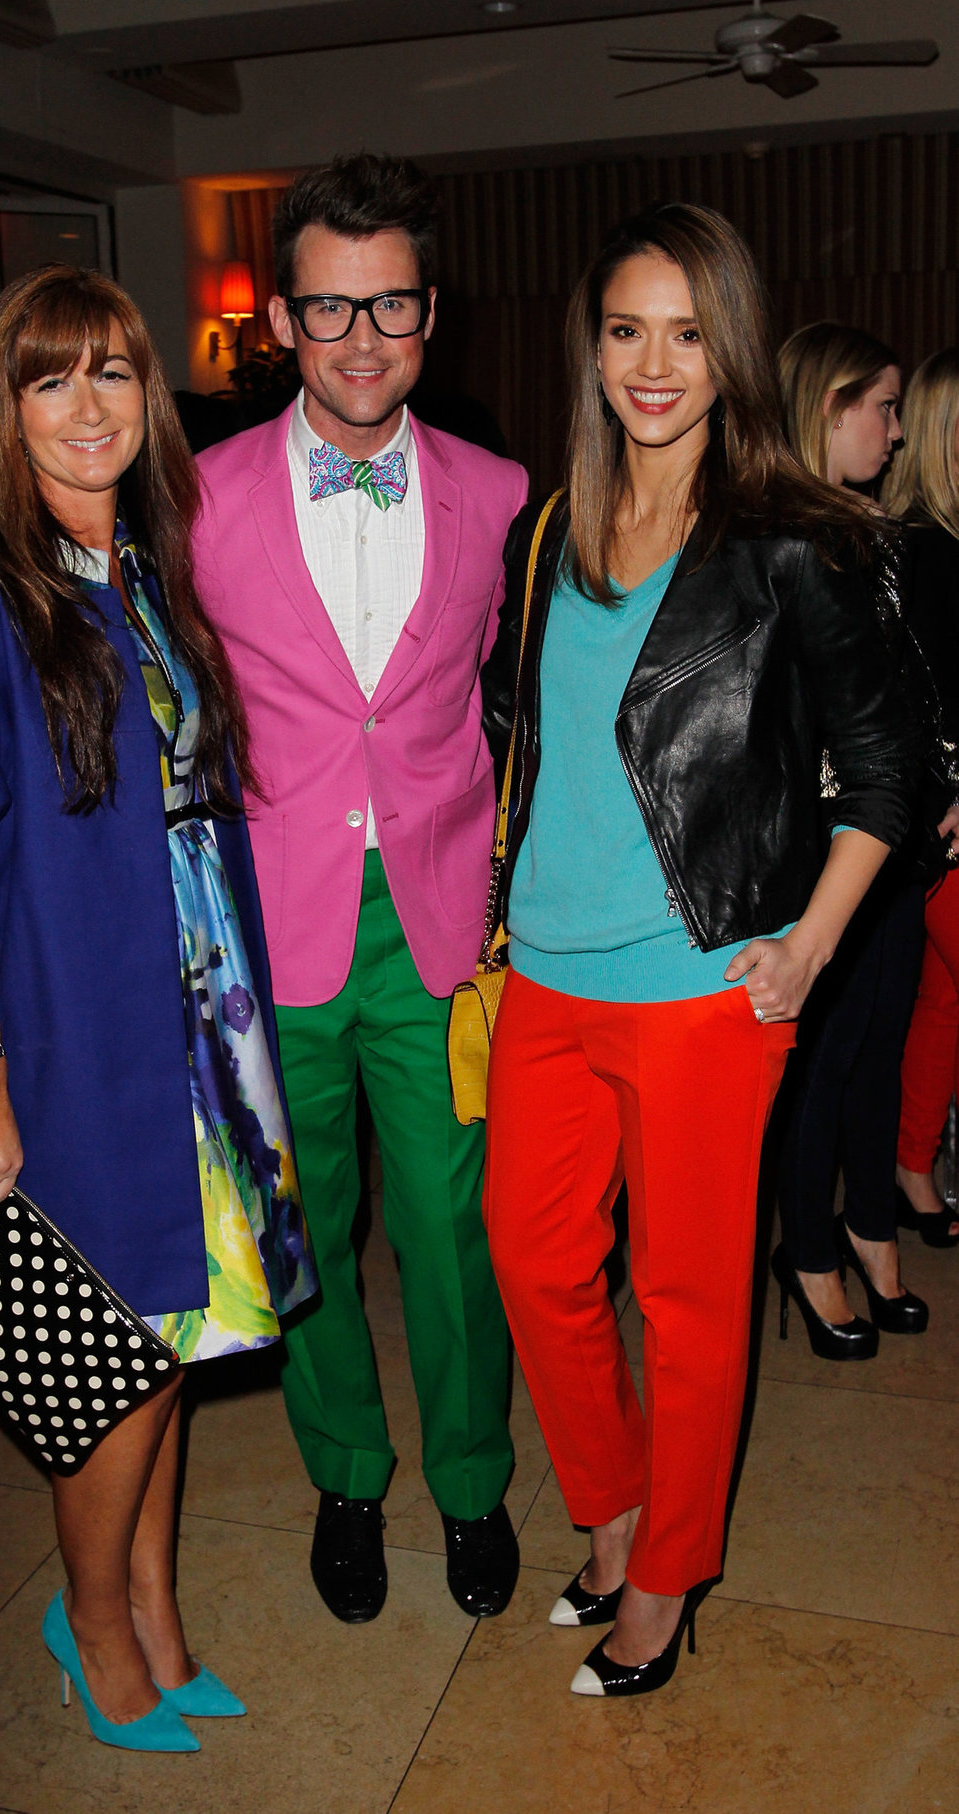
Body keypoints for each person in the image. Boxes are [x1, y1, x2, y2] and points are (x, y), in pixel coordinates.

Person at [480, 203, 914, 1698]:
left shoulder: (792, 538)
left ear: (727, 349)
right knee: (535, 1259)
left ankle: (665, 1574)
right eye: (624, 330)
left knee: (685, 1298)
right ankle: (605, 1509)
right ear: (591, 346)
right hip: (543, 973)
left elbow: (886, 773)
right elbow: (519, 732)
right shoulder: (548, 528)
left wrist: (807, 947)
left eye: (682, 332)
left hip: (698, 985)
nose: (651, 365)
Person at [0, 265, 316, 1751]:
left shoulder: (145, 569)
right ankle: (93, 1622)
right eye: (51, 377)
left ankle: (155, 1610)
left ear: (149, 398)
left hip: (196, 1010)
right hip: (74, 1023)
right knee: (111, 1351)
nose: (88, 406)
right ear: (3, 409)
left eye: (114, 373)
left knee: (176, 1338)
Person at [191, 154, 527, 1624]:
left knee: (453, 1228)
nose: (361, 336)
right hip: (273, 924)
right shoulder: (193, 499)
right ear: (281, 319)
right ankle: (344, 1473)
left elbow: (512, 695)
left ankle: (471, 1481)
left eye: (389, 303)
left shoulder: (501, 495)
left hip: (440, 921)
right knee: (308, 1224)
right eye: (328, 306)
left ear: (429, 311)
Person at [773, 321, 929, 1352]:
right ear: (829, 408)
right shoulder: (781, 536)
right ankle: (808, 1250)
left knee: (880, 1044)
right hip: (823, 838)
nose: (896, 430)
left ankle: (871, 1224)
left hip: (892, 824)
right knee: (821, 1059)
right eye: (881, 407)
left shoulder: (870, 530)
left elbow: (905, 687)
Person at [883, 349, 959, 1246]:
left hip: (930, 823)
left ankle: (911, 1168)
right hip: (935, 818)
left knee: (941, 1000)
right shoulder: (919, 550)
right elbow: (925, 699)